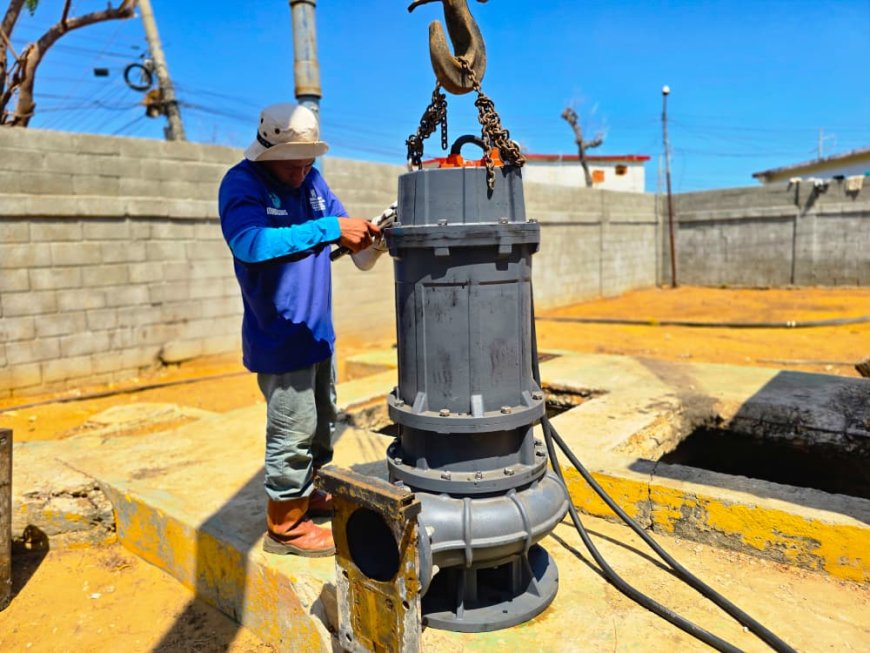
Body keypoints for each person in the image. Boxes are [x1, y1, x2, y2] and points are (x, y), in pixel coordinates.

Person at [218, 103, 380, 557]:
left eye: (308, 162)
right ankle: (285, 527)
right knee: (293, 429)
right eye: (293, 164)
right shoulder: (242, 183)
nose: (301, 171)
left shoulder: (311, 181)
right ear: (268, 152)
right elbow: (250, 245)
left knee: (323, 422)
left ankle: (306, 492)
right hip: (278, 336)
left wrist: (369, 238)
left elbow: (339, 228)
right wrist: (327, 228)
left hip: (316, 334)